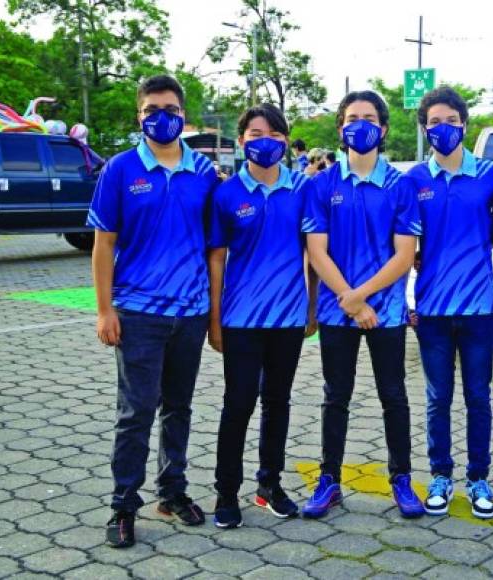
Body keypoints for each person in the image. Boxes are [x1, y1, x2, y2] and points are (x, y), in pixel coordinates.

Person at [87, 75, 219, 548]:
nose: (162, 116)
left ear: (183, 114)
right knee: (136, 411)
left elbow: (214, 250)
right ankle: (123, 504)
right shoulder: (120, 170)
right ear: (139, 116)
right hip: (138, 314)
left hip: (190, 313)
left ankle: (173, 492)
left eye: (170, 108)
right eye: (151, 109)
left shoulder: (204, 172)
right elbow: (104, 244)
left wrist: (215, 317)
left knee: (178, 407)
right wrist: (105, 311)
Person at [301, 90, 424, 519]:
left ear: (384, 128)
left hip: (386, 313)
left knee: (394, 395)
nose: (361, 124)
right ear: (340, 127)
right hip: (339, 313)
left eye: (369, 117)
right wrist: (350, 303)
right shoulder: (322, 184)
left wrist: (361, 297)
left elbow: (404, 256)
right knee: (336, 396)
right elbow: (317, 252)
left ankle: (402, 479)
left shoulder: (400, 185)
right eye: (352, 117)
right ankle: (329, 480)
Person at [208, 103, 318, 529]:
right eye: (255, 134)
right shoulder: (227, 193)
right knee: (238, 404)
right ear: (241, 141)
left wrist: (310, 307)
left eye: (273, 134)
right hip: (240, 319)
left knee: (277, 402)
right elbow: (217, 259)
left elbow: (313, 254)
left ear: (285, 142)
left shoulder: (302, 190)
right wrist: (215, 321)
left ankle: (269, 484)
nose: (264, 142)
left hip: (288, 319)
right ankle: (225, 492)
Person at [406, 86, 493, 519]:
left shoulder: (492, 175)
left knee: (478, 396)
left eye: (451, 121)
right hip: (431, 310)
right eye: (435, 122)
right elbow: (401, 242)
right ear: (425, 128)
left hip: (478, 310)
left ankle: (479, 477)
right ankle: (441, 475)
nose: (443, 129)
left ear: (464, 124)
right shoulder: (413, 180)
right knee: (437, 398)